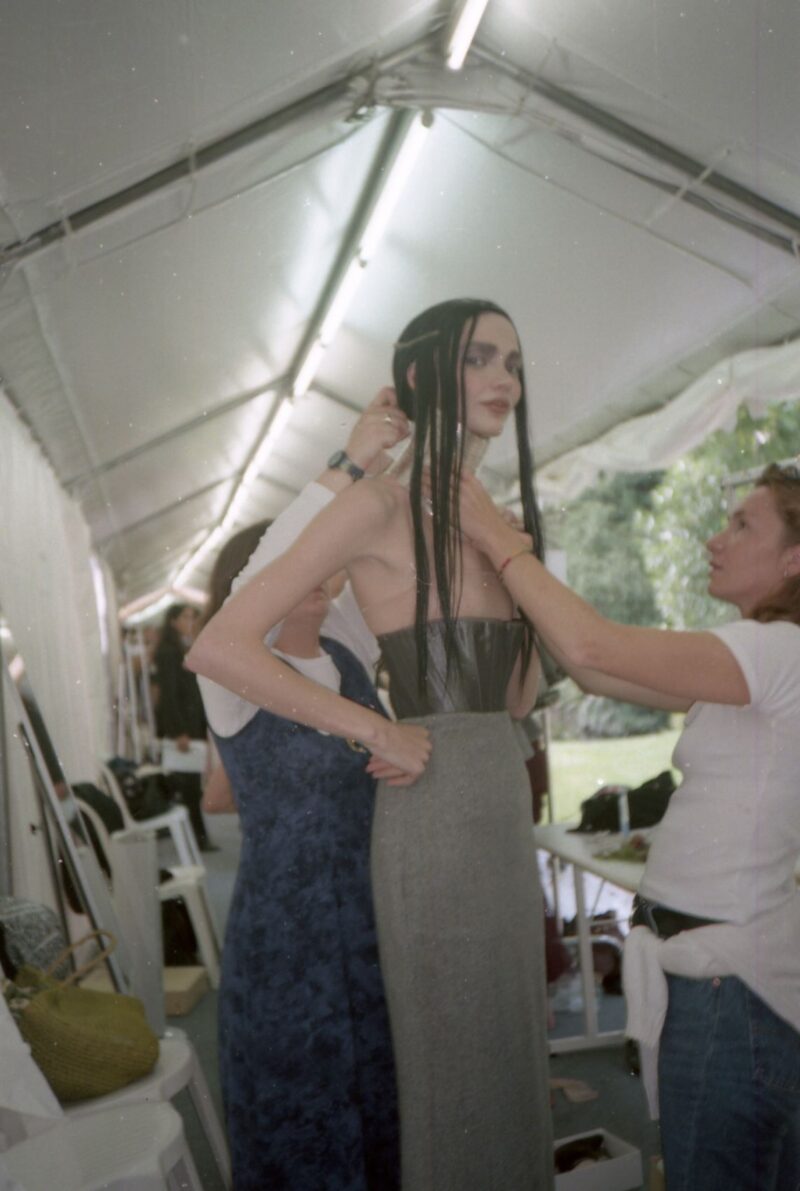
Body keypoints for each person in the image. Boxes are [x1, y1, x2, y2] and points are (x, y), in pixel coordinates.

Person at [188, 297, 555, 1191]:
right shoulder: (376, 513)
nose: (504, 379)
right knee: (416, 1085)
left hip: (484, 818)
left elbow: (516, 696)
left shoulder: (362, 625)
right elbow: (230, 627)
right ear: (426, 375)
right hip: (328, 897)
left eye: (514, 362)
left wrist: (512, 556)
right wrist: (378, 726)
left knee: (482, 1066)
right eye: (480, 358)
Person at [453, 462, 800, 1191]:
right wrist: (509, 573)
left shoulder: (777, 650)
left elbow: (595, 648)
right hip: (724, 973)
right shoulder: (759, 652)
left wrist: (497, 539)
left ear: (794, 559)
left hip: (726, 986)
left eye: (743, 525)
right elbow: (596, 675)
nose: (716, 539)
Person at [195, 398, 411, 1191]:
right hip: (285, 941)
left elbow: (381, 517)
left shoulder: (345, 648)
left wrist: (420, 434)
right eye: (298, 558)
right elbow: (279, 550)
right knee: (302, 1119)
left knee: (381, 1106)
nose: (315, 569)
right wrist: (348, 460)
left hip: (371, 921)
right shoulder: (232, 681)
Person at [152, 603, 215, 850]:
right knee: (189, 785)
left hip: (192, 723)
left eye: (192, 616)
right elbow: (169, 694)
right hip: (184, 727)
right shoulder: (168, 652)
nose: (191, 621)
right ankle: (197, 837)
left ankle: (197, 836)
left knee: (191, 783)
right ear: (173, 621)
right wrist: (178, 731)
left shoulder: (181, 647)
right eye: (186, 617)